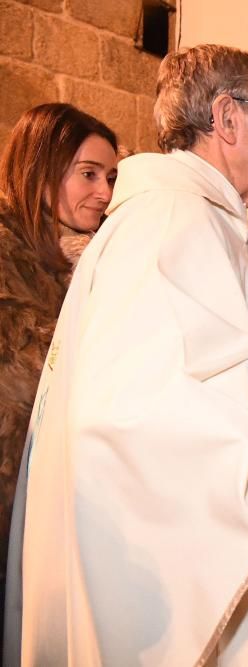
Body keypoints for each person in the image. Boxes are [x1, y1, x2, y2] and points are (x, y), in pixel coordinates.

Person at [4, 44, 248, 665]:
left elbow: (184, 380)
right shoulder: (173, 223)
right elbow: (138, 427)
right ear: (228, 117)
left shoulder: (185, 219)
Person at [0, 102, 117, 633]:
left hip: (48, 483)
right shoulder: (8, 249)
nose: (104, 193)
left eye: (111, 177)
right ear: (40, 170)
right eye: (88, 174)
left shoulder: (71, 252)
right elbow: (30, 368)